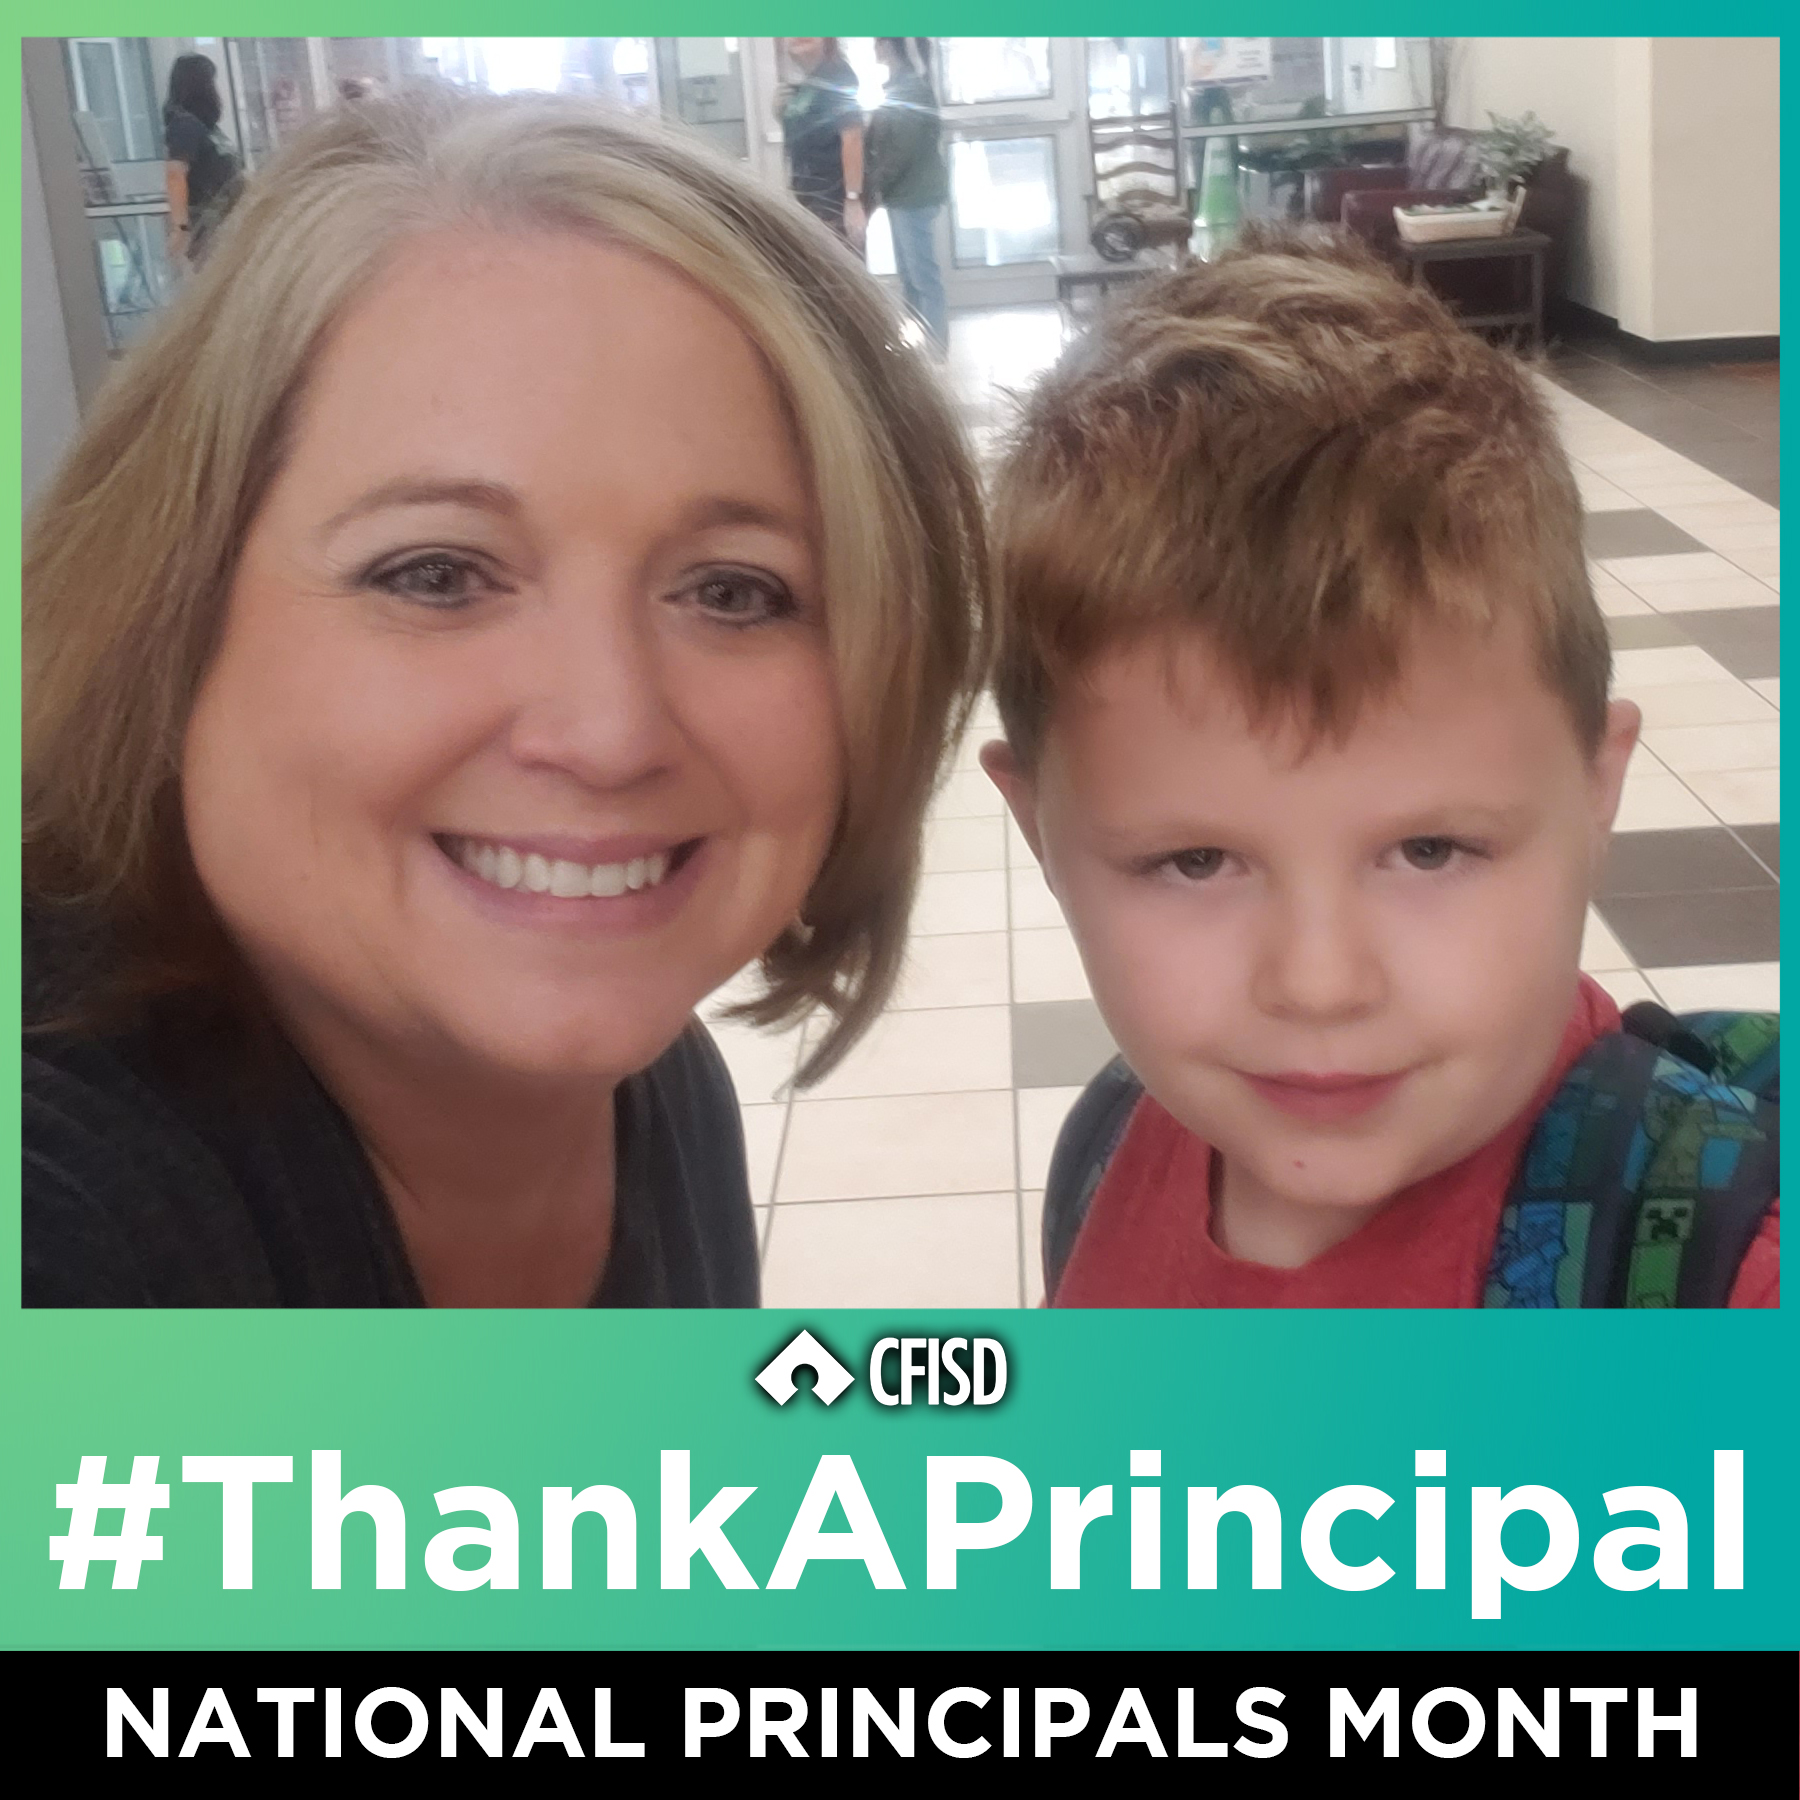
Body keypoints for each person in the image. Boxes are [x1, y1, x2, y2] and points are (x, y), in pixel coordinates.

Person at [23, 89, 989, 1308]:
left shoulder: (659, 1095)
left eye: (734, 592)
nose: (610, 733)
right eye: (436, 575)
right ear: (166, 619)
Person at [980, 230, 1778, 1309]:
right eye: (1195, 861)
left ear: (1595, 790)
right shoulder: (1110, 1140)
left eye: (1430, 849)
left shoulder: (1719, 1275)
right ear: (1041, 831)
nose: (1320, 984)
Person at [868, 37, 950, 355]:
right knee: (911, 278)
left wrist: (875, 186)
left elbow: (901, 149)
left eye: (878, 43)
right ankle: (917, 346)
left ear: (890, 46)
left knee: (922, 278)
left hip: (912, 194)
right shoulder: (900, 87)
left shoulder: (910, 90)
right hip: (903, 194)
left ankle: (934, 348)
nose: (875, 49)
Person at [779, 37, 865, 248]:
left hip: (832, 199)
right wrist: (781, 112)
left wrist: (852, 199)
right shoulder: (810, 82)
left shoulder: (837, 75)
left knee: (836, 264)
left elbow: (852, 136)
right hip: (807, 197)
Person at [161, 51, 242, 267]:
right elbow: (175, 174)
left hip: (227, 221)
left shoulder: (207, 128)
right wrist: (181, 227)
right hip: (209, 227)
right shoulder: (184, 125)